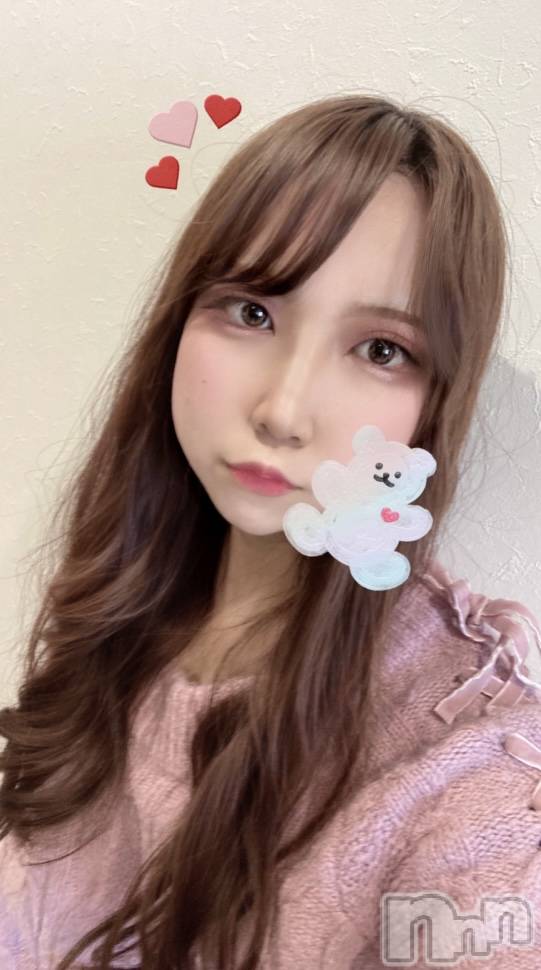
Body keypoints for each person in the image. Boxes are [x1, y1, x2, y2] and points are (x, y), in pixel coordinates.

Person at [1, 93, 540, 970]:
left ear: (436, 402)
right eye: (252, 312)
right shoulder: (124, 600)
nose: (283, 411)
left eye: (381, 350)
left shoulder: (473, 761)